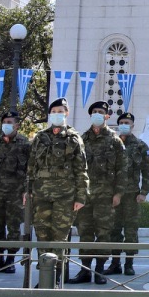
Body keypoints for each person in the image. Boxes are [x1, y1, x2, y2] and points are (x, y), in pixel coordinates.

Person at [26, 98, 89, 285]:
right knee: (43, 235)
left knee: (59, 237)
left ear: (66, 113)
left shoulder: (73, 138)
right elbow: (31, 166)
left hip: (65, 196)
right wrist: (27, 190)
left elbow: (81, 169)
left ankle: (57, 277)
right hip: (41, 194)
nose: (56, 114)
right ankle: (45, 277)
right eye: (53, 111)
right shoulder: (40, 137)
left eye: (60, 111)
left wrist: (81, 196)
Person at [69, 101, 126, 284]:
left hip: (105, 196)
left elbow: (122, 170)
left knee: (103, 233)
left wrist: (118, 194)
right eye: (94, 111)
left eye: (101, 112)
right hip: (85, 195)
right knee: (85, 232)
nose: (97, 114)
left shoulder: (115, 141)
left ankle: (100, 269)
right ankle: (85, 270)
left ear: (107, 116)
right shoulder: (81, 139)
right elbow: (75, 168)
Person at [0, 109, 30, 274]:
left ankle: (10, 260)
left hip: (15, 193)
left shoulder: (25, 144)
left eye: (10, 123)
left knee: (13, 227)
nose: (6, 125)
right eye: (4, 122)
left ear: (17, 125)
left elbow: (30, 169)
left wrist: (26, 190)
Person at [110, 112, 149, 276]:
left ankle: (129, 263)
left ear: (133, 125)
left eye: (127, 122)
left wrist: (144, 192)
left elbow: (148, 171)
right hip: (113, 196)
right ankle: (115, 263)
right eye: (121, 122)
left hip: (131, 195)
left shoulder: (140, 146)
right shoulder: (112, 144)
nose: (124, 125)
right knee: (114, 230)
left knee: (130, 230)